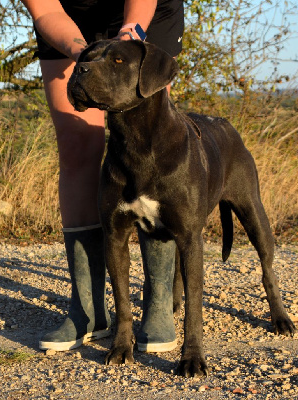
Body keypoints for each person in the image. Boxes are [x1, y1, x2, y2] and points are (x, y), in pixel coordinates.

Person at [20, 0, 184, 353]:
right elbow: (47, 11)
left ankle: (157, 306)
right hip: (67, 22)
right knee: (77, 144)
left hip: (141, 17)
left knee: (149, 140)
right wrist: (86, 58)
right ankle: (89, 310)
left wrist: (129, 35)